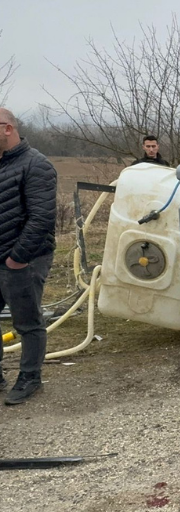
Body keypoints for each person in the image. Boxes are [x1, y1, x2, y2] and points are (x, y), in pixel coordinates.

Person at [0, 108, 57, 404]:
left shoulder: (36, 165)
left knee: (27, 322)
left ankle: (30, 378)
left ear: (7, 128)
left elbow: (42, 219)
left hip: (25, 259)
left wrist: (17, 258)